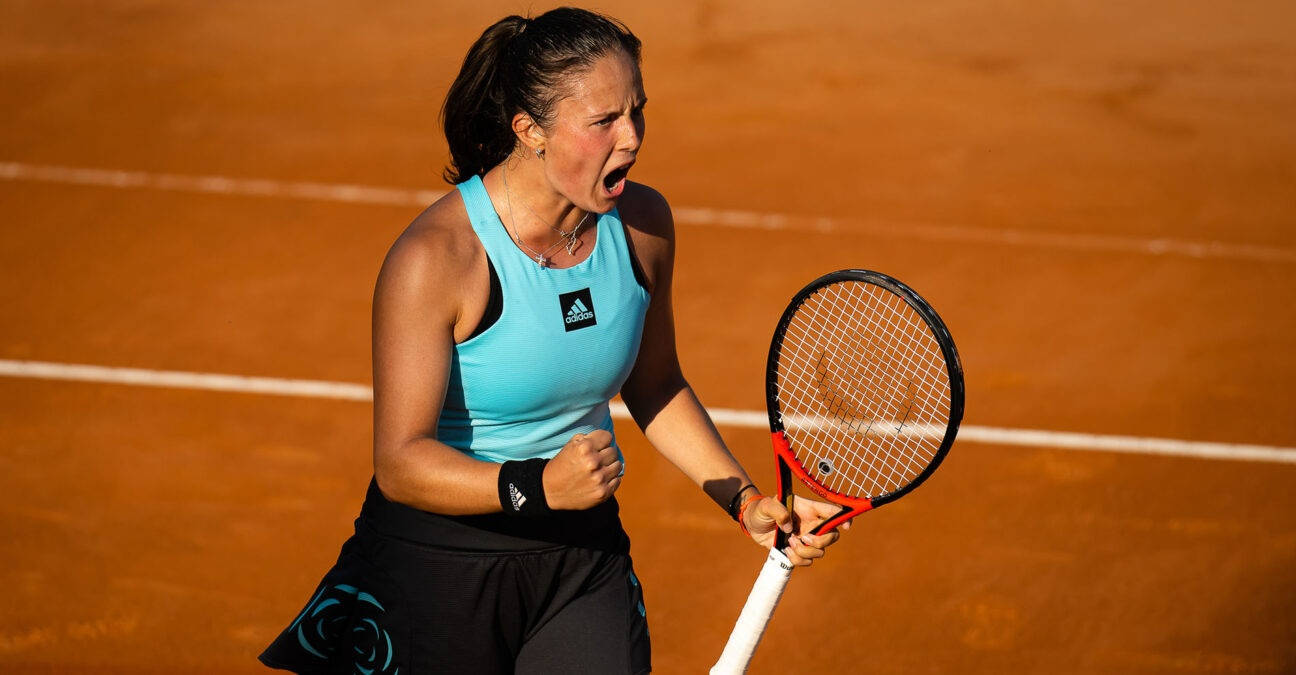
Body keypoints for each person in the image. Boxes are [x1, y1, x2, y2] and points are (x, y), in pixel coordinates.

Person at [260, 8, 848, 674]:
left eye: (637, 112)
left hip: (579, 558)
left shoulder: (643, 226)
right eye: (603, 121)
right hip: (440, 566)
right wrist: (536, 486)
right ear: (529, 131)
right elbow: (400, 463)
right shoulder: (439, 257)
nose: (630, 138)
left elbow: (655, 383)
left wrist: (745, 502)